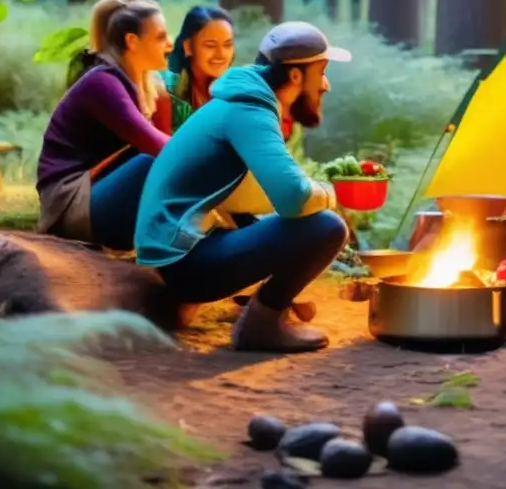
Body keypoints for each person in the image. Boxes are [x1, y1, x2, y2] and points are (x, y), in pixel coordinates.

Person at [134, 21, 353, 353]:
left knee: (293, 224)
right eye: (321, 71)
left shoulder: (242, 104)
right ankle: (262, 326)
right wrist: (331, 193)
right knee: (326, 227)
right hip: (186, 262)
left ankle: (269, 308)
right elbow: (294, 198)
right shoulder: (250, 112)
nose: (326, 84)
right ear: (295, 76)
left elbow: (251, 197)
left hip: (183, 244)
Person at [36, 0, 173, 250]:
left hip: (99, 191)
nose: (170, 44)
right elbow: (158, 147)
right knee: (149, 165)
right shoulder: (102, 83)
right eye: (160, 37)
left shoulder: (148, 87)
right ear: (132, 41)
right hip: (70, 204)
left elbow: (167, 142)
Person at [154, 5, 236, 134]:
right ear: (188, 47)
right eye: (210, 45)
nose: (221, 54)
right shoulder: (165, 87)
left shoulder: (238, 91)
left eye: (228, 45)